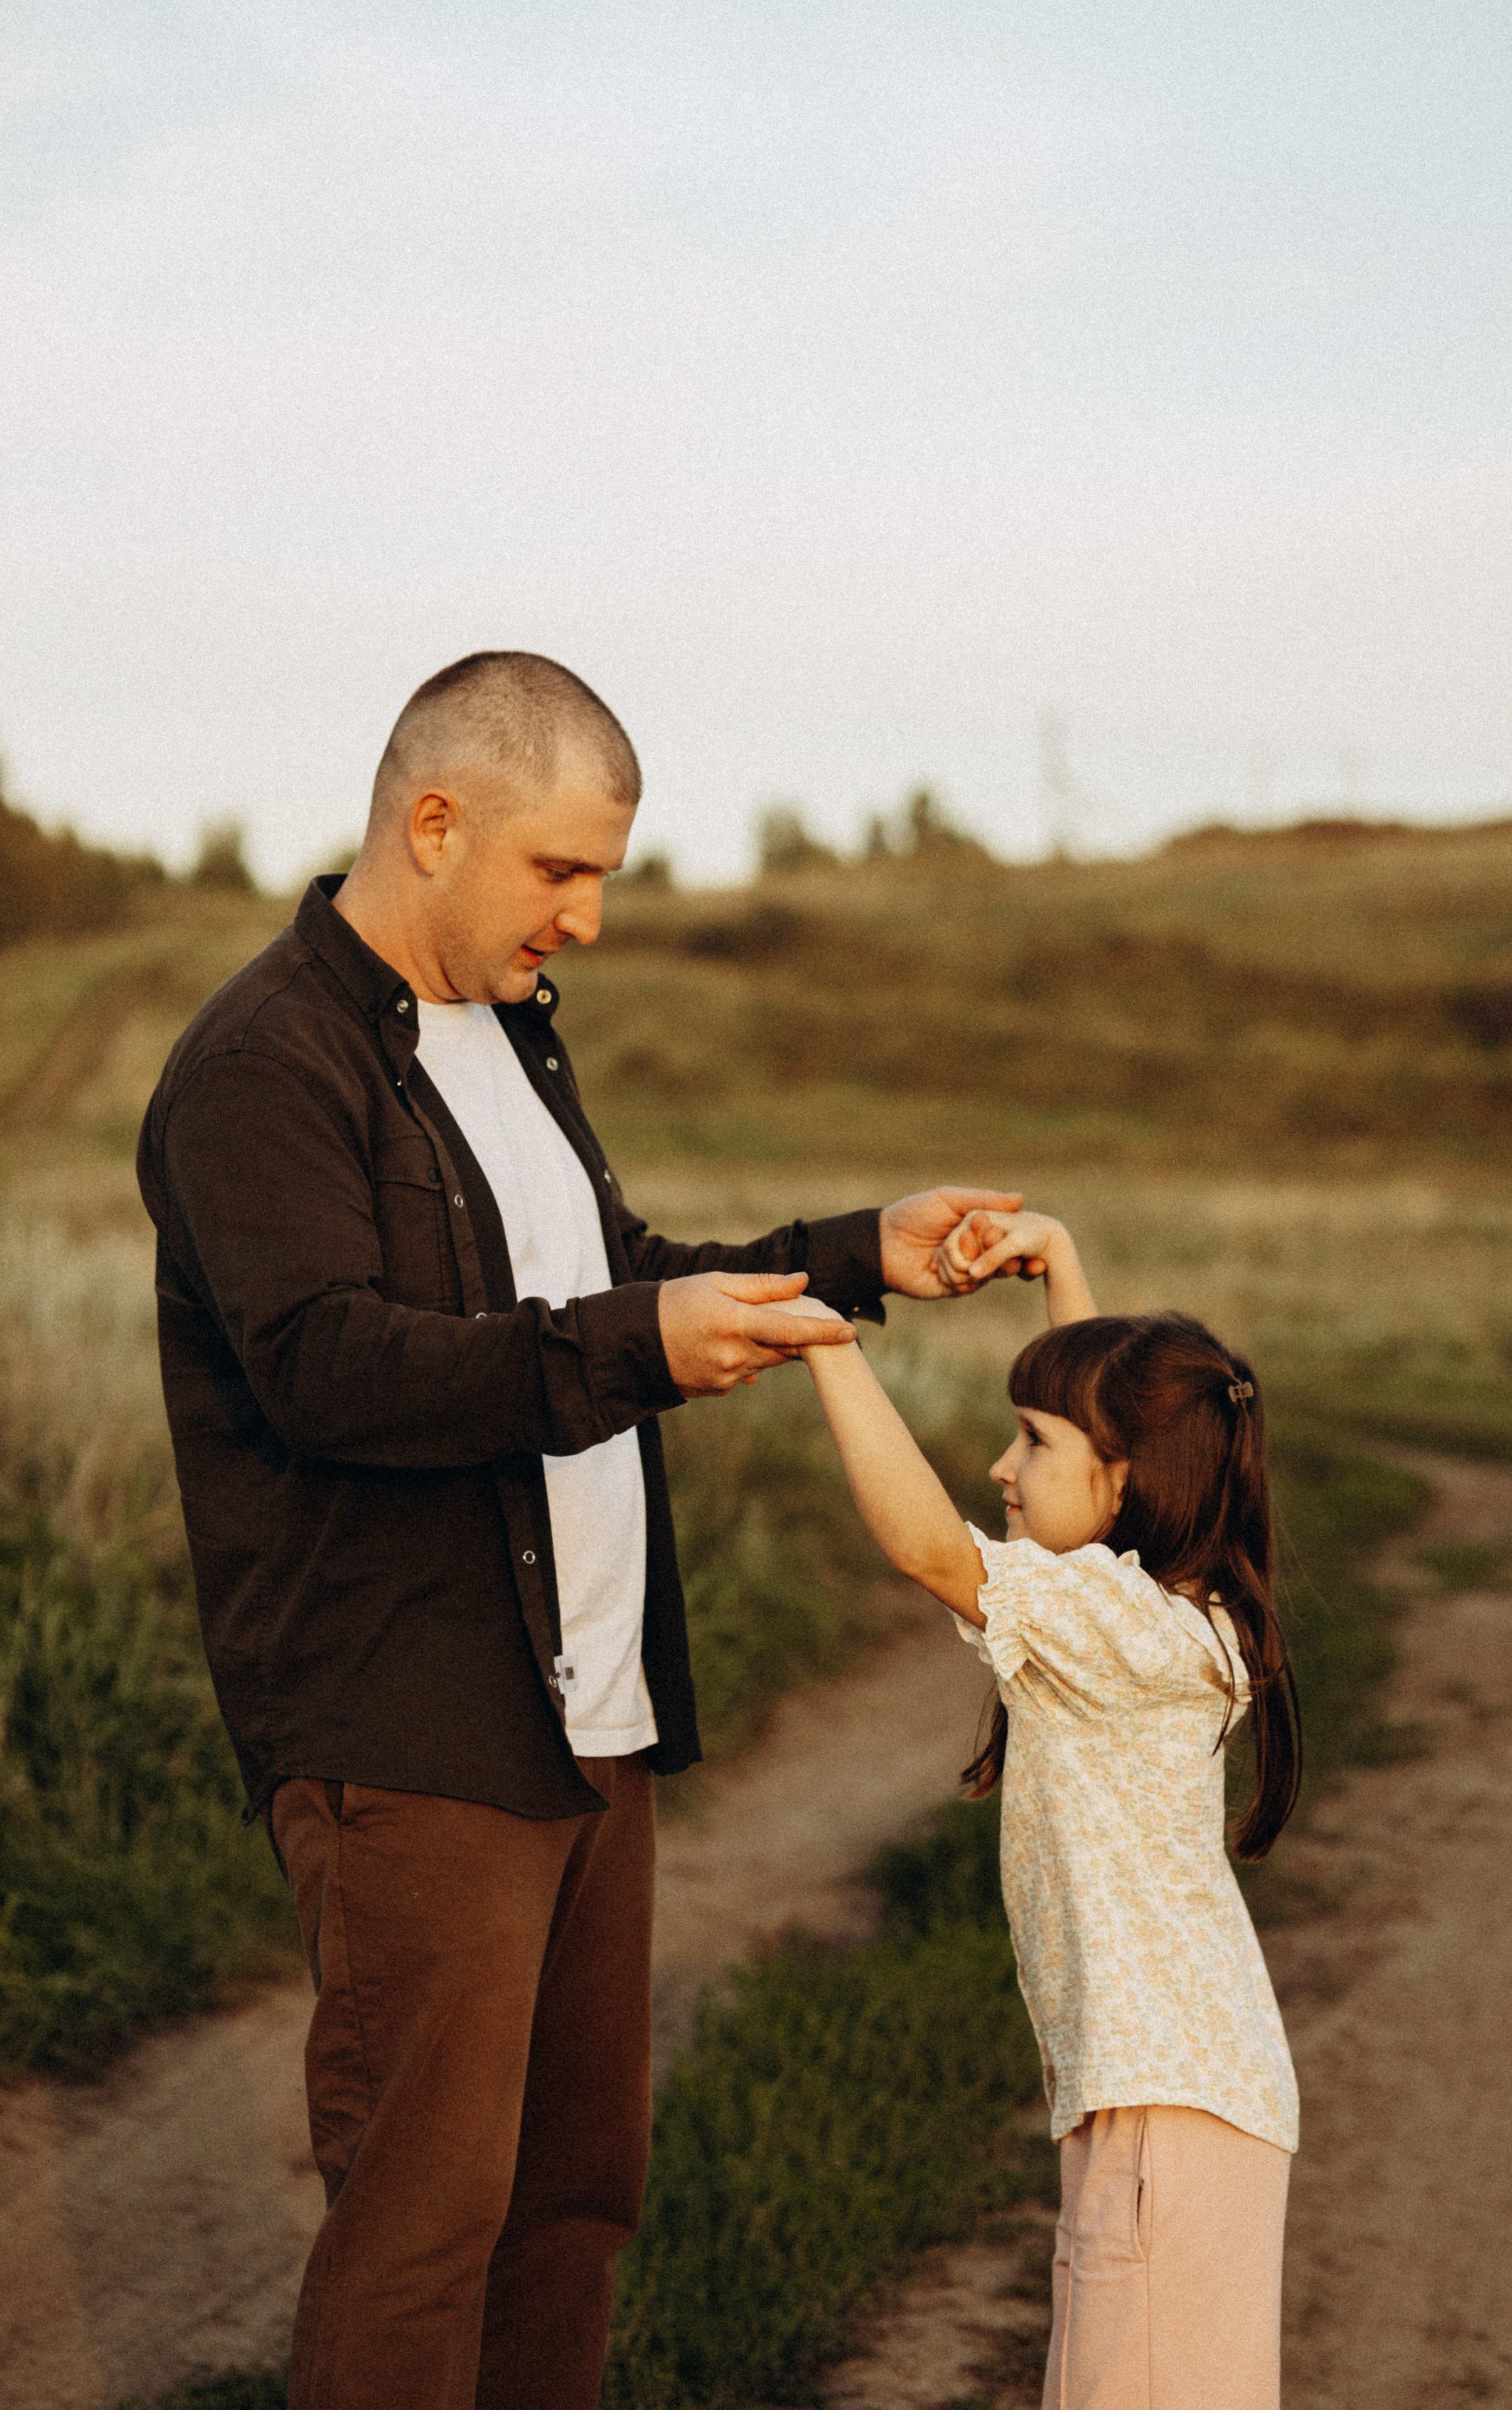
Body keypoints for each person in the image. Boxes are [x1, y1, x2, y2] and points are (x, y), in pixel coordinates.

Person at [136, 650, 1024, 2410]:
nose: (592, 920)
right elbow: (332, 1371)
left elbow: (597, 1295)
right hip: (411, 1728)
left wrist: (855, 1253)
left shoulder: (508, 1042)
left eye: (604, 875)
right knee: (420, 2237)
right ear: (435, 821)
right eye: (563, 871)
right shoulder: (261, 1066)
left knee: (572, 2210)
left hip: (589, 1719)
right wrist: (639, 1349)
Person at [789, 1204, 1302, 2410]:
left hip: (1166, 2117)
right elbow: (1105, 1451)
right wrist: (1063, 1265)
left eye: (1029, 1441)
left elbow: (929, 1549)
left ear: (1126, 1484)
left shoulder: (1124, 1633)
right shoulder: (1173, 1604)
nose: (1001, 1468)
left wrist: (831, 1350)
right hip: (1162, 2103)